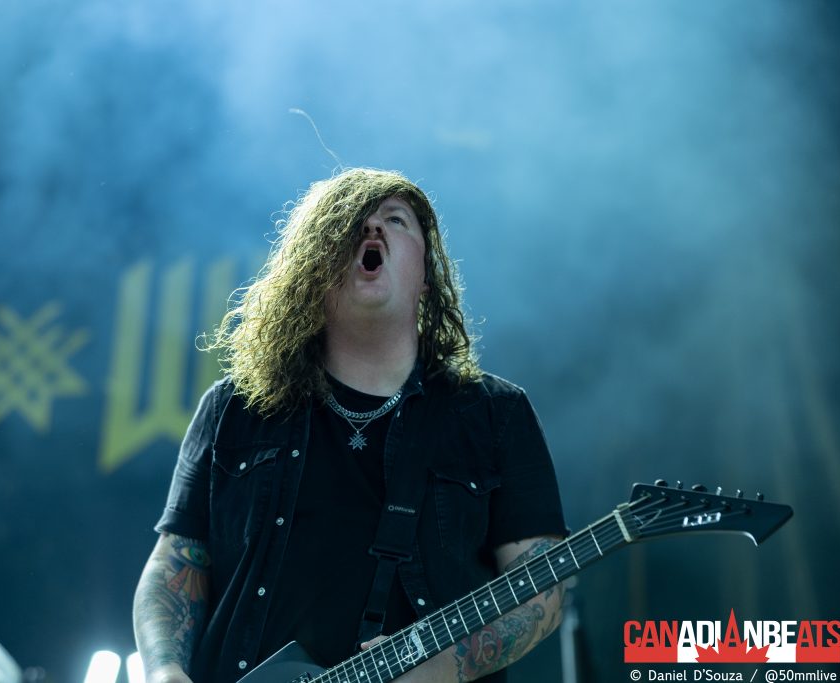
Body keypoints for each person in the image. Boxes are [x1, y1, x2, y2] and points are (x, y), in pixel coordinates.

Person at [133, 168, 567, 683]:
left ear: (426, 276)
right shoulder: (235, 408)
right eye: (351, 221)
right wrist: (164, 670)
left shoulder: (495, 414)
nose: (372, 228)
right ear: (314, 266)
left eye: (396, 220)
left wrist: (443, 668)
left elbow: (542, 589)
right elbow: (176, 565)